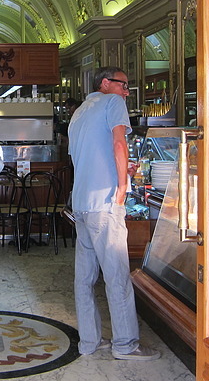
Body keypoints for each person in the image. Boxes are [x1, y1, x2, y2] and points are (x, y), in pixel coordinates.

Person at [67, 66, 159, 361]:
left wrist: (119, 168)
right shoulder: (112, 102)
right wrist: (122, 184)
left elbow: (83, 156)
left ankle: (89, 342)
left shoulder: (80, 111)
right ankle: (125, 344)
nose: (126, 92)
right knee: (117, 275)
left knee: (84, 278)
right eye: (123, 85)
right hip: (105, 203)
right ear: (105, 83)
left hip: (81, 202)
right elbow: (120, 143)